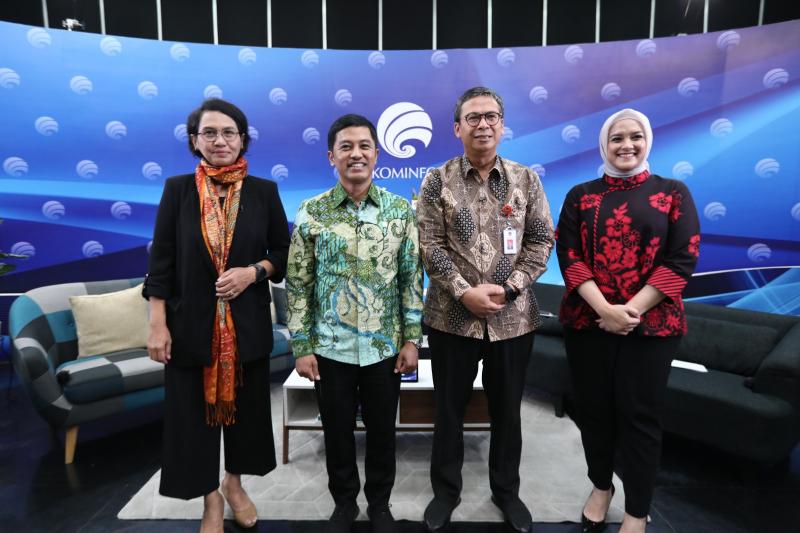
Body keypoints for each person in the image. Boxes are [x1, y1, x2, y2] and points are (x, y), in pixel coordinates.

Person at [144, 98, 290, 533]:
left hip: (246, 327)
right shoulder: (177, 191)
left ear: (243, 139)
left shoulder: (264, 192)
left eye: (229, 132)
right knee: (191, 422)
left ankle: (234, 483)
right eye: (209, 132)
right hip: (190, 327)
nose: (220, 140)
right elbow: (161, 261)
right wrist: (157, 324)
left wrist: (253, 272)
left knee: (245, 418)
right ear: (195, 141)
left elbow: (283, 253)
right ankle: (210, 498)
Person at [416, 87, 554, 533]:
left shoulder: (526, 180)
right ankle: (446, 492)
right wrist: (464, 293)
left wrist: (510, 289)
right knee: (448, 411)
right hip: (450, 318)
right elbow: (429, 245)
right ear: (457, 128)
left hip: (513, 320)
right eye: (473, 118)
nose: (483, 124)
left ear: (502, 125)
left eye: (491, 116)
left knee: (508, 413)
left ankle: (506, 492)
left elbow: (541, 241)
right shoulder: (436, 180)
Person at [555, 108, 700, 533]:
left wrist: (629, 311)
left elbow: (683, 257)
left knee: (640, 417)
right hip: (589, 323)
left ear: (647, 140)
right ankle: (601, 487)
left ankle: (637, 509)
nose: (626, 145)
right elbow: (569, 255)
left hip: (652, 327)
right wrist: (605, 310)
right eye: (616, 138)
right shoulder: (581, 195)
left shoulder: (672, 192)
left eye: (635, 136)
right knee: (594, 412)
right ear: (604, 144)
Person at [286, 114, 423, 533]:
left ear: (377, 154)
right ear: (332, 156)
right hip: (330, 348)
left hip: (384, 347)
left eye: (364, 146)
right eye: (346, 146)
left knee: (383, 433)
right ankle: (344, 504)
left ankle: (380, 505)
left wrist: (412, 339)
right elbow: (298, 282)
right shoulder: (311, 212)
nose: (356, 154)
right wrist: (302, 345)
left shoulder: (399, 210)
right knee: (337, 433)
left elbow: (410, 278)